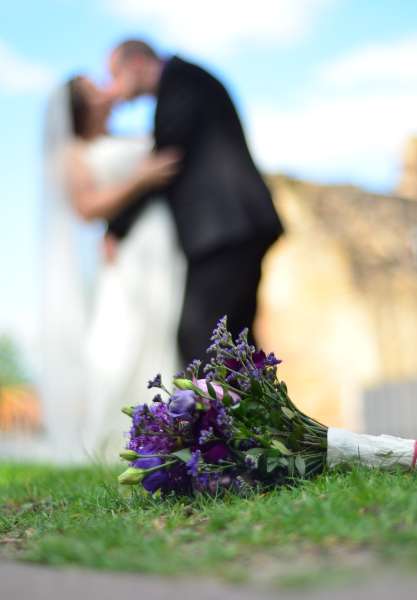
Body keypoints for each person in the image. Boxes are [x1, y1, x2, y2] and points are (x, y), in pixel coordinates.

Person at [106, 40, 285, 366]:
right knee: (236, 343)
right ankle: (260, 401)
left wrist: (116, 227)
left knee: (200, 336)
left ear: (135, 63)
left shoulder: (180, 80)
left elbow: (165, 161)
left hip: (226, 229)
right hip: (233, 228)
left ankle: (225, 402)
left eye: (115, 76)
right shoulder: (185, 79)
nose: (113, 88)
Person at [41, 75, 185, 461]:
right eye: (94, 90)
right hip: (130, 251)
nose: (106, 91)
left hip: (165, 239)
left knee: (168, 323)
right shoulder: (73, 152)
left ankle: (172, 429)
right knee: (124, 336)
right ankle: (119, 438)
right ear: (80, 107)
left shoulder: (129, 135)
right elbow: (86, 207)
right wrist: (141, 179)